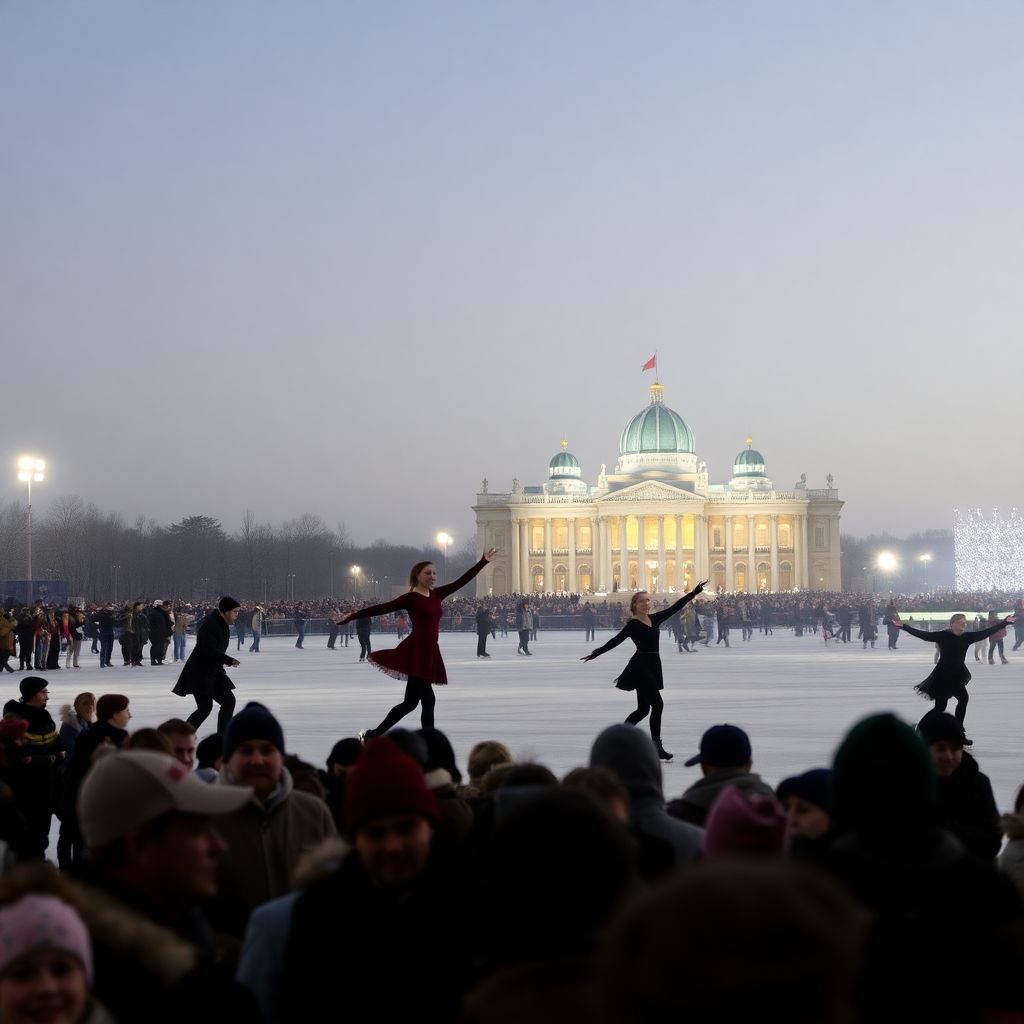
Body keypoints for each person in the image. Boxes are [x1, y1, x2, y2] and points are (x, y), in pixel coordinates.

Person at [337, 550, 496, 737]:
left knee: (410, 704)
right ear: (417, 576)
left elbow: (461, 581)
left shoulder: (437, 594)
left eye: (434, 573)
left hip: (430, 651)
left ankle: (372, 735)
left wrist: (483, 561)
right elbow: (382, 608)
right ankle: (429, 742)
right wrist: (353, 616)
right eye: (428, 573)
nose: (433, 576)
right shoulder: (410, 598)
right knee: (428, 699)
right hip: (417, 651)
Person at [581, 582, 707, 761]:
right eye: (642, 601)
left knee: (643, 710)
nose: (647, 603)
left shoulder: (654, 619)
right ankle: (656, 746)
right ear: (635, 605)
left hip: (653, 664)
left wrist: (694, 592)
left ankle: (620, 740)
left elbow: (676, 607)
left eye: (648, 600)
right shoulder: (633, 624)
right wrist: (596, 653)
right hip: (640, 666)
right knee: (657, 704)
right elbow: (616, 640)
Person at [891, 609, 1016, 725]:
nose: (964, 625)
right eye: (961, 622)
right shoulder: (943, 636)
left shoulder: (966, 637)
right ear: (952, 623)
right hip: (943, 675)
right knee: (941, 706)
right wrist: (904, 626)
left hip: (957, 674)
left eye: (965, 623)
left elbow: (985, 632)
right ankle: (922, 726)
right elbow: (923, 634)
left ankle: (958, 731)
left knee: (963, 699)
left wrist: (1004, 623)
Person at [171, 597, 242, 737]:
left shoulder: (221, 624)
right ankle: (182, 736)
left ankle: (223, 737)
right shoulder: (211, 625)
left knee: (228, 701)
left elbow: (216, 651)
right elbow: (208, 650)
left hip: (213, 672)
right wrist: (228, 660)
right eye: (235, 611)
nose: (237, 614)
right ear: (225, 612)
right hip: (200, 673)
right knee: (205, 708)